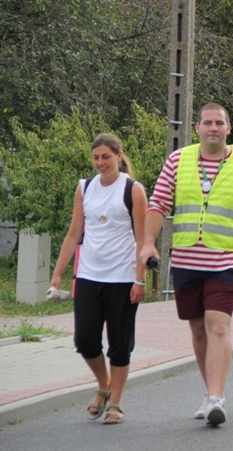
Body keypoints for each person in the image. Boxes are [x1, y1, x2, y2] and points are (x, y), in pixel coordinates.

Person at [139, 103, 233, 426]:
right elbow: (158, 203)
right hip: (186, 258)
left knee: (217, 324)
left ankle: (216, 397)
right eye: (208, 123)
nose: (213, 128)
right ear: (197, 128)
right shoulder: (178, 160)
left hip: (226, 258)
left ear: (228, 129)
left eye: (220, 123)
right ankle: (208, 391)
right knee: (198, 330)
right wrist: (147, 243)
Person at [50, 133, 147, 424]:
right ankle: (104, 384)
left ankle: (115, 402)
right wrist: (57, 276)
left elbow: (143, 238)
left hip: (122, 276)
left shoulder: (133, 189)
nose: (101, 162)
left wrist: (139, 280)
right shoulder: (85, 188)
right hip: (89, 276)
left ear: (119, 156)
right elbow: (73, 233)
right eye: (96, 157)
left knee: (119, 344)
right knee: (85, 340)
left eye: (106, 156)